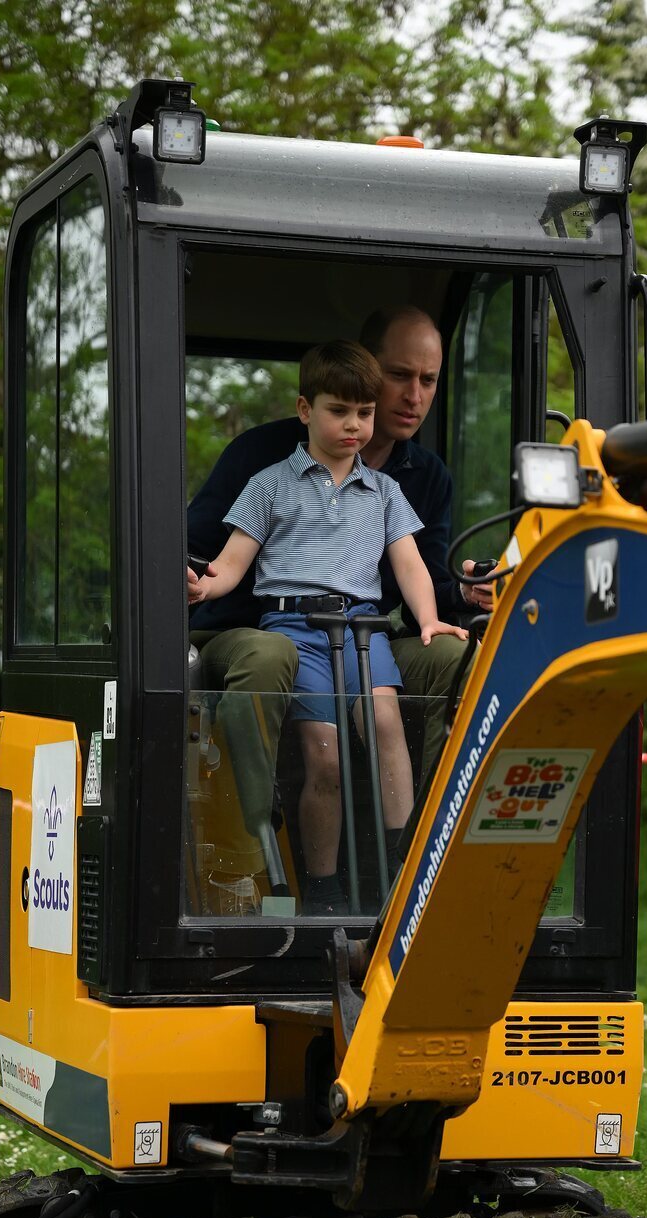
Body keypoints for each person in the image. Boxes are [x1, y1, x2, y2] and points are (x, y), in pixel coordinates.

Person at [190, 340, 467, 912]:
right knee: (325, 756)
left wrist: (431, 619)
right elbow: (234, 562)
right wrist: (203, 586)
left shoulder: (385, 491)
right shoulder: (270, 482)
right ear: (304, 410)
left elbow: (410, 564)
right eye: (339, 411)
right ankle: (322, 884)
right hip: (295, 625)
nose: (354, 426)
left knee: (387, 723)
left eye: (363, 414)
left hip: (363, 628)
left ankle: (399, 864)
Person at [186, 305, 491, 784]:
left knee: (459, 661)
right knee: (269, 656)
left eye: (429, 380)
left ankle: (425, 845)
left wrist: (463, 592)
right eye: (399, 374)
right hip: (250, 630)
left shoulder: (424, 479)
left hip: (359, 635)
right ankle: (248, 851)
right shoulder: (263, 460)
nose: (415, 396)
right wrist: (194, 582)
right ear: (364, 368)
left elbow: (420, 579)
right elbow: (195, 553)